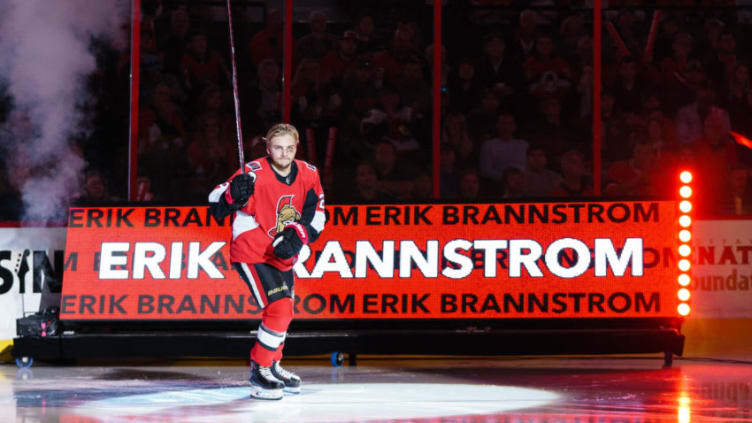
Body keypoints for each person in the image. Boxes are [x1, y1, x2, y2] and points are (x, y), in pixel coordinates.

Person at [208, 123, 326, 400]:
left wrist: (298, 236)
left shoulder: (309, 174)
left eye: (289, 148)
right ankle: (260, 369)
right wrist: (232, 195)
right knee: (279, 308)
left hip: (282, 250)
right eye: (277, 147)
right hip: (252, 248)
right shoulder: (252, 172)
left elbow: (317, 213)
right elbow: (215, 202)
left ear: (296, 147)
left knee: (284, 312)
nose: (283, 153)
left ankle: (272, 364)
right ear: (268, 147)